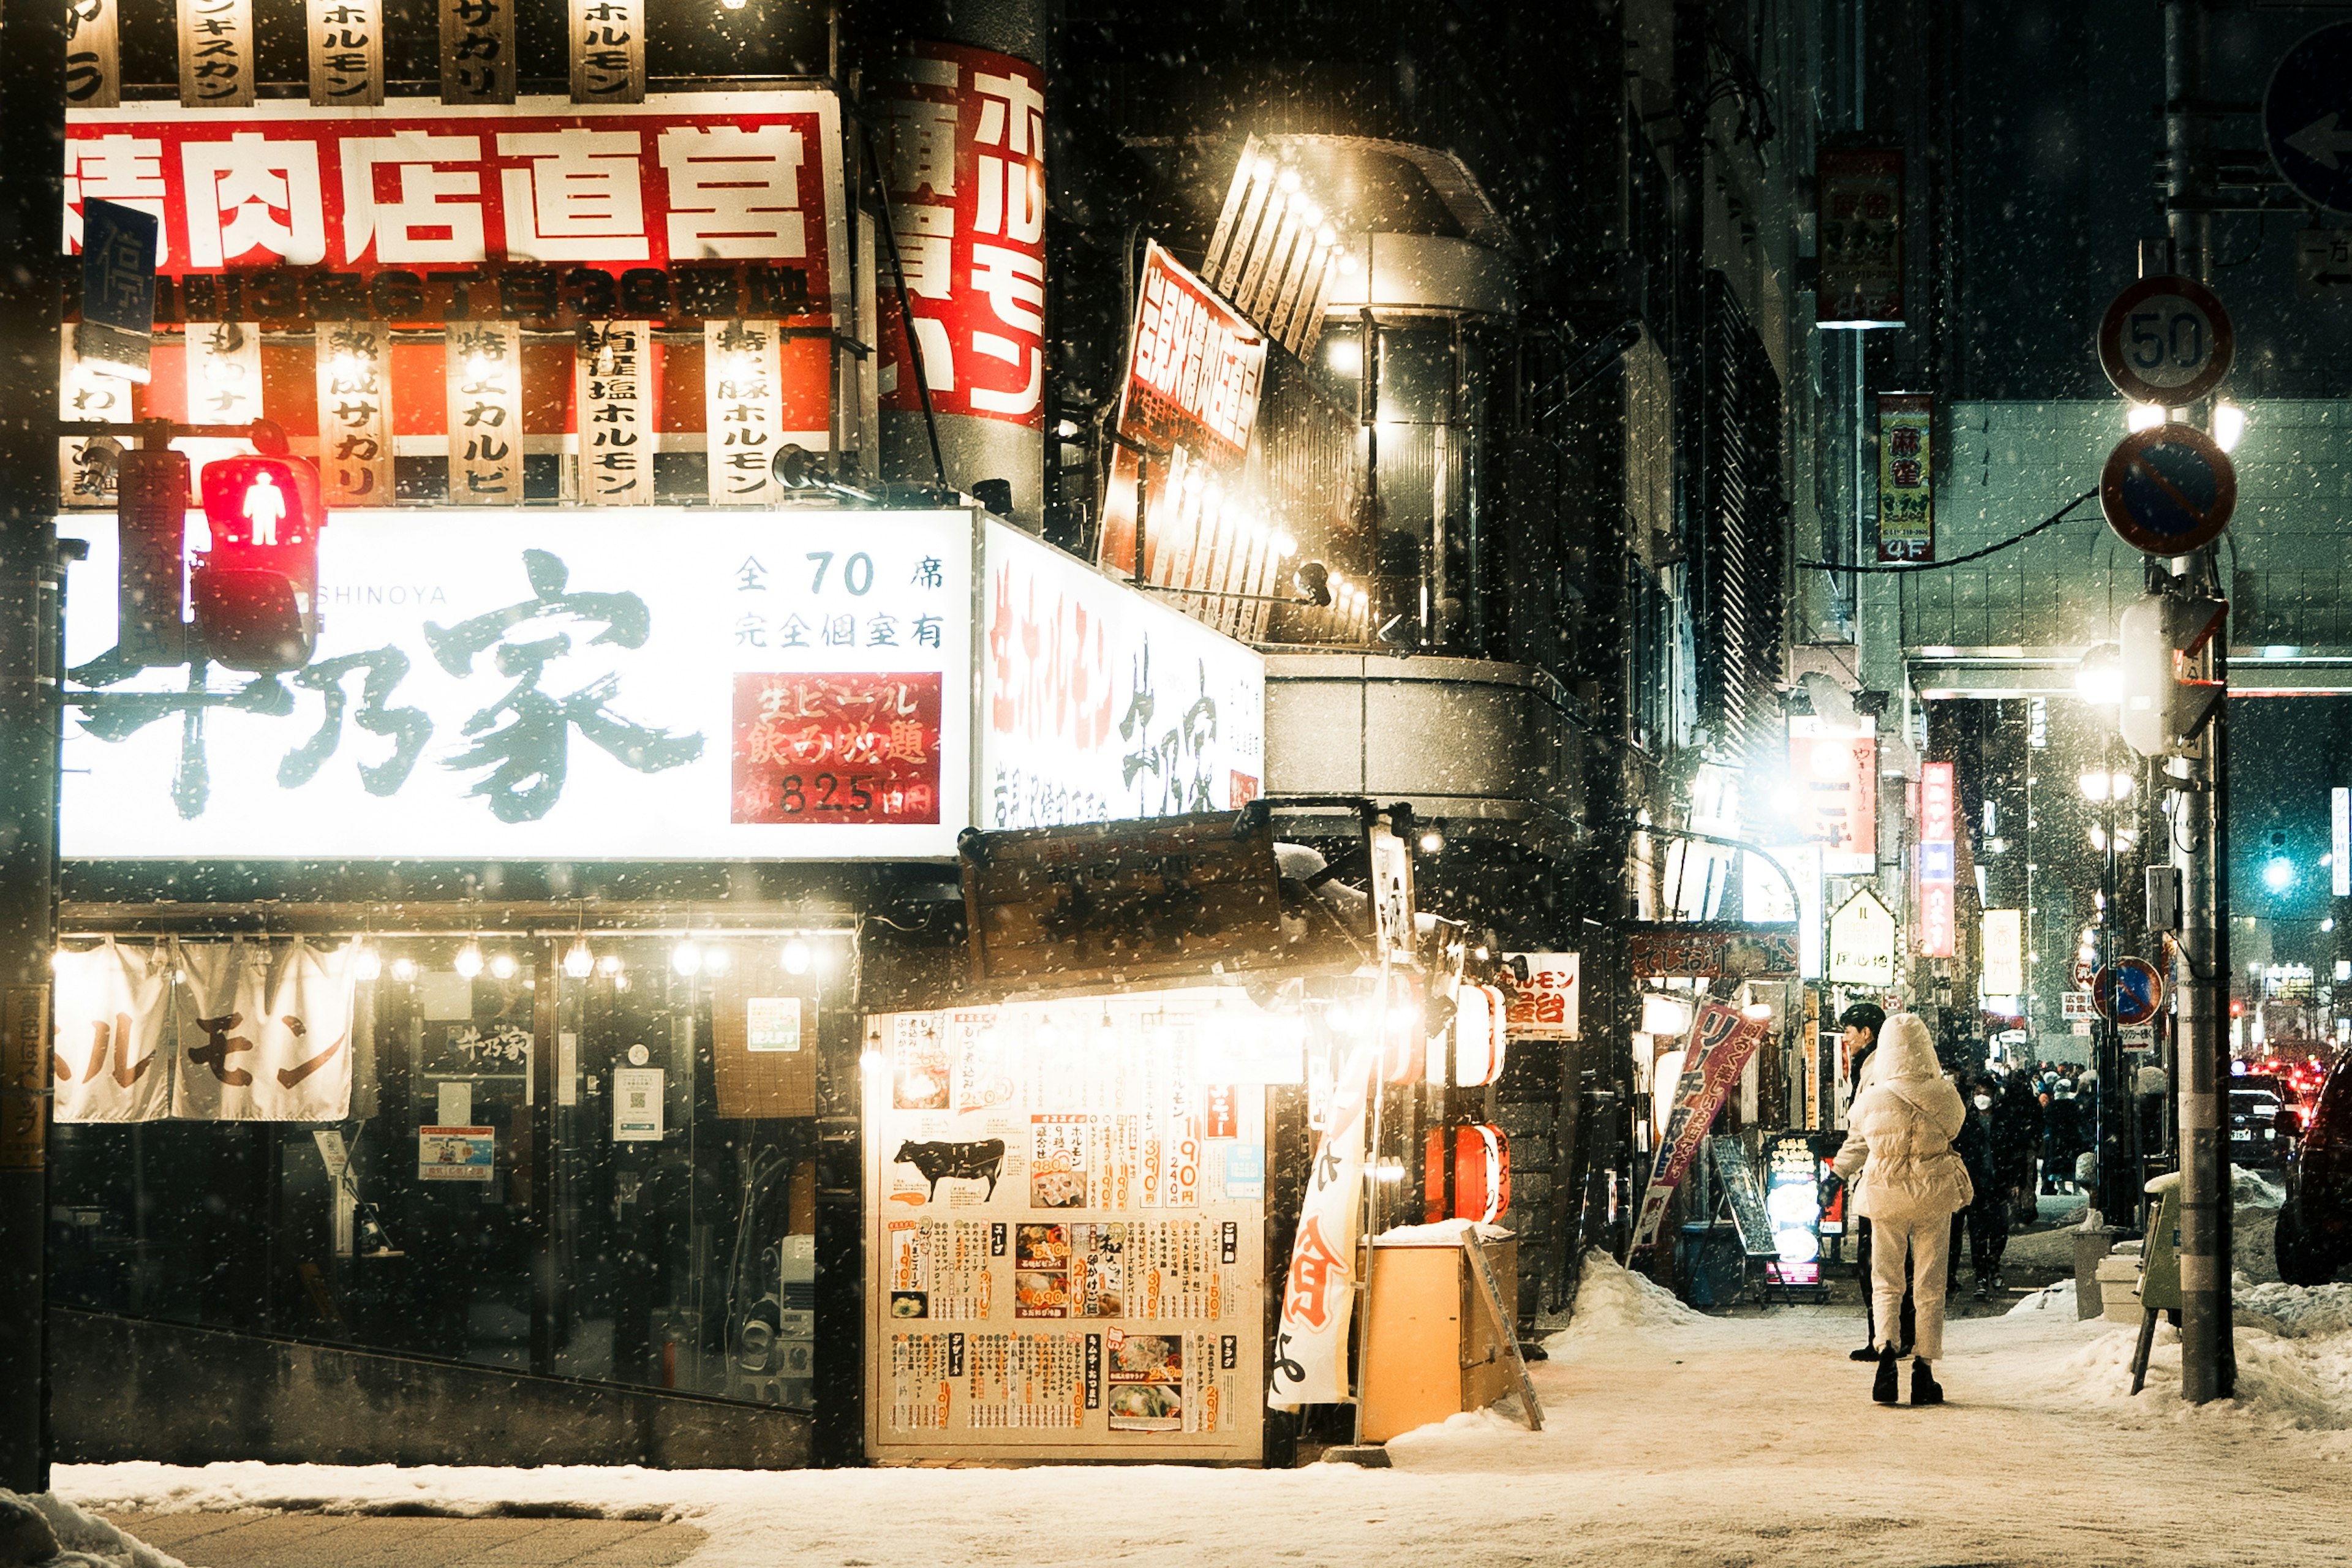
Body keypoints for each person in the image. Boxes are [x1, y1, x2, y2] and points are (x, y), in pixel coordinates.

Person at [1833, 1012, 1973, 1407]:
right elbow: (1955, 1129)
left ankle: (1886, 1358)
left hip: (1885, 1192)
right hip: (1934, 1193)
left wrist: (1836, 1176)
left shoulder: (1872, 1098)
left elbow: (1858, 1142)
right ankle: (1924, 1369)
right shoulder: (1946, 1095)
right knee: (1930, 1283)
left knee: (1886, 1280)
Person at [1830, 1002, 1912, 1362]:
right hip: (1895, 1180)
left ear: (1867, 1033)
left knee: (1876, 1265)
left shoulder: (1878, 1071)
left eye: (1849, 1032)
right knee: (1895, 1264)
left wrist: (1838, 1173)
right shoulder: (1881, 1067)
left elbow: (1864, 1132)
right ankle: (1898, 1336)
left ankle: (1886, 1339)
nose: (1846, 1040)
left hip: (1883, 1180)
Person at [1951, 1077, 2009, 1297]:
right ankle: (1981, 1276)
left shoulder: (2003, 1121)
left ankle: (1993, 1263)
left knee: (1999, 1230)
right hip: (1974, 1184)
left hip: (1998, 1182)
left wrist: (2015, 1182)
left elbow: (2014, 1151)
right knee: (1977, 1233)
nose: (1981, 1097)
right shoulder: (1967, 1122)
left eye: (1986, 1093)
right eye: (1978, 1093)